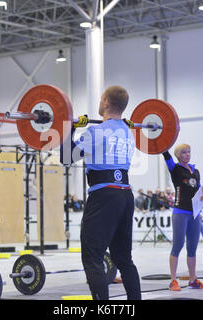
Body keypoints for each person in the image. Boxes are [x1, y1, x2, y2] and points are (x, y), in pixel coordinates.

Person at [60, 85, 141, 300]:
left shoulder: (97, 131)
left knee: (92, 257)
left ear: (106, 103)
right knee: (123, 258)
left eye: (100, 98)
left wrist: (70, 128)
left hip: (104, 196)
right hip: (125, 195)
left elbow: (66, 157)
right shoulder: (128, 131)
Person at [162, 144, 203, 291]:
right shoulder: (174, 169)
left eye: (189, 152)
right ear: (178, 155)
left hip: (194, 214)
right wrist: (162, 139)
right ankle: (173, 280)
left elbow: (198, 190)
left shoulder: (196, 171)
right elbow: (165, 154)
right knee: (177, 245)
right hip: (180, 212)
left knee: (192, 248)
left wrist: (202, 196)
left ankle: (193, 279)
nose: (187, 155)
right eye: (184, 152)